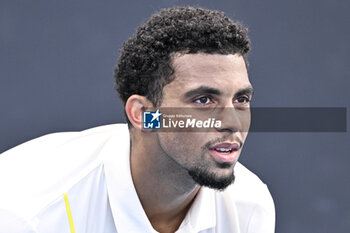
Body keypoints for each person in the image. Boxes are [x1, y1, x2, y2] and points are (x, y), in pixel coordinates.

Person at [0, 6, 275, 233]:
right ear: (144, 115)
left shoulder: (249, 207)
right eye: (203, 101)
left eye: (241, 100)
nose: (233, 122)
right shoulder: (26, 213)